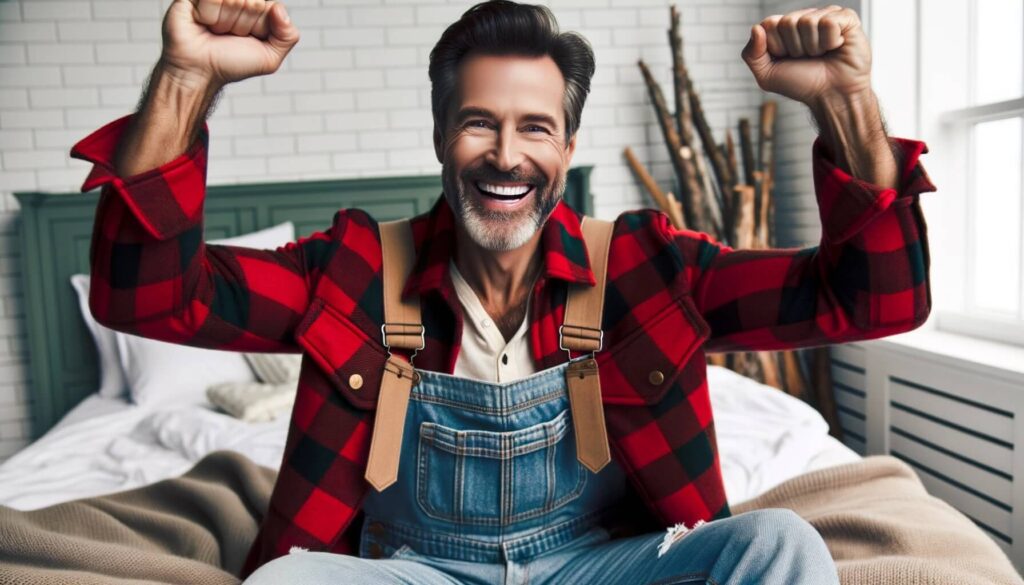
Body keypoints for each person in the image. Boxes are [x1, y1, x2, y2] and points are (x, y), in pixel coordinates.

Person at [70, 0, 936, 583]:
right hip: (415, 567)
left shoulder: (648, 266)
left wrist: (846, 102)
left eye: (536, 127)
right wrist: (187, 81)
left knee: (779, 544)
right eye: (480, 122)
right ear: (443, 135)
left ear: (566, 146)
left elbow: (874, 300)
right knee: (288, 579)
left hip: (599, 564)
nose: (506, 155)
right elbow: (147, 297)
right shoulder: (355, 266)